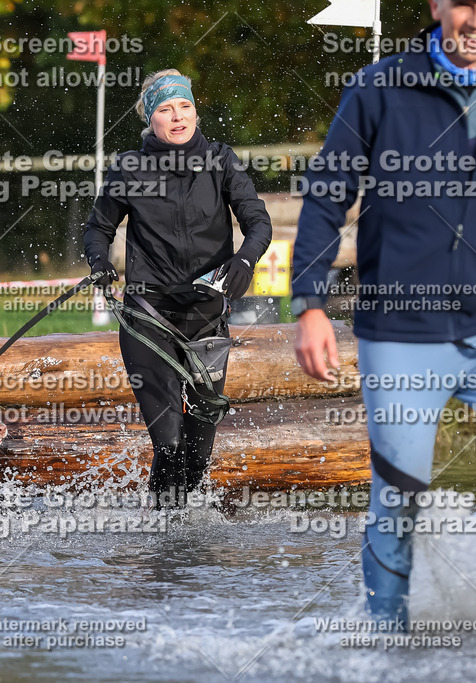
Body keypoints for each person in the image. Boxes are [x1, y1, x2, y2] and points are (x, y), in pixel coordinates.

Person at [292, 0, 476, 628]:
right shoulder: (379, 87)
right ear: (435, 6)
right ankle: (386, 645)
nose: (475, 20)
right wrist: (311, 304)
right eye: (462, 4)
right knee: (398, 496)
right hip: (400, 332)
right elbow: (326, 194)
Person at [84, 69, 273, 508]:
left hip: (206, 314)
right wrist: (100, 265)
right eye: (166, 109)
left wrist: (245, 260)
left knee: (197, 452)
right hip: (148, 314)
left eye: (184, 105)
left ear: (195, 109)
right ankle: (162, 540)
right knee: (168, 443)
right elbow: (98, 229)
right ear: (150, 118)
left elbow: (258, 222)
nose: (177, 116)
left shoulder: (222, 160)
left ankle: (178, 535)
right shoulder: (129, 168)